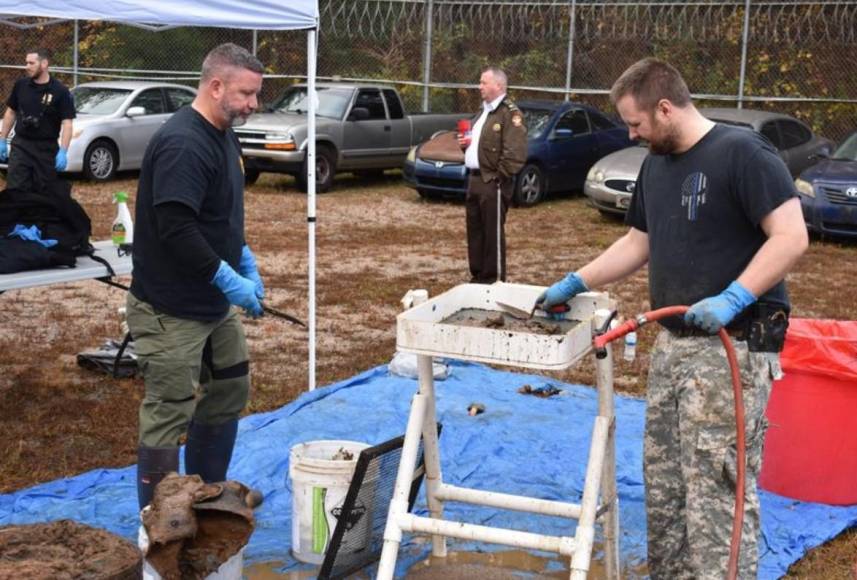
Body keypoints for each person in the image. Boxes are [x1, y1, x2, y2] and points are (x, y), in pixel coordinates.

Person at [538, 58, 808, 578]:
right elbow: (638, 242)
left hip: (734, 346)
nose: (632, 133)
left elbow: (791, 236)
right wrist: (577, 281)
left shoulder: (743, 154)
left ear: (665, 107)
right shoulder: (656, 165)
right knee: (665, 484)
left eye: (637, 123)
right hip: (675, 346)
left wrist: (733, 297)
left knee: (716, 486)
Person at [127, 43, 267, 509]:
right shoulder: (183, 143)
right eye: (247, 94)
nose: (253, 105)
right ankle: (164, 521)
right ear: (215, 86)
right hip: (171, 308)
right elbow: (176, 228)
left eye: (255, 95)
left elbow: (216, 212)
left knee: (230, 387)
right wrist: (229, 278)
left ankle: (204, 498)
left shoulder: (224, 132)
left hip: (211, 304)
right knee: (171, 407)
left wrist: (242, 256)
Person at [459, 67, 527, 284]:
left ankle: (493, 279)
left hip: (492, 182)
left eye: (483, 82)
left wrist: (499, 176)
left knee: (492, 233)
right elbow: (479, 145)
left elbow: (515, 152)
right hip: (474, 179)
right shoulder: (482, 112)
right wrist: (466, 147)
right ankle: (478, 275)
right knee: (475, 230)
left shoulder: (510, 113)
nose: (479, 87)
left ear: (498, 85)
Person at [0, 48, 75, 192]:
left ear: (44, 63)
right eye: (26, 63)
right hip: (21, 146)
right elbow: (11, 112)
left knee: (44, 193)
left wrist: (63, 151)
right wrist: (2, 139)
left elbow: (67, 123)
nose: (27, 66)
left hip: (46, 149)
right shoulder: (21, 85)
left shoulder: (60, 91)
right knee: (16, 190)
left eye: (31, 63)